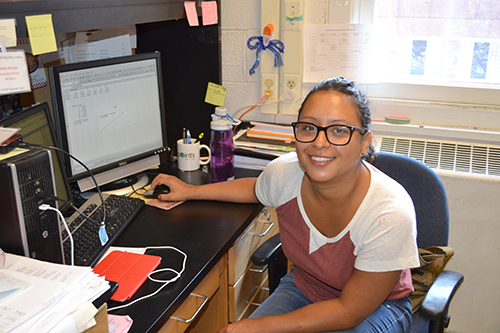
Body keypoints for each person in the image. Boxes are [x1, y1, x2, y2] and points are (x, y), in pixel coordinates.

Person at [151, 77, 420, 332]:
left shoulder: (388, 213)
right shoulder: (285, 174)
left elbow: (350, 310)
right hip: (306, 287)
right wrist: (191, 190)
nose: (319, 142)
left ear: (364, 142)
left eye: (339, 130)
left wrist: (258, 326)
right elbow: (254, 189)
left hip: (376, 307)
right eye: (309, 128)